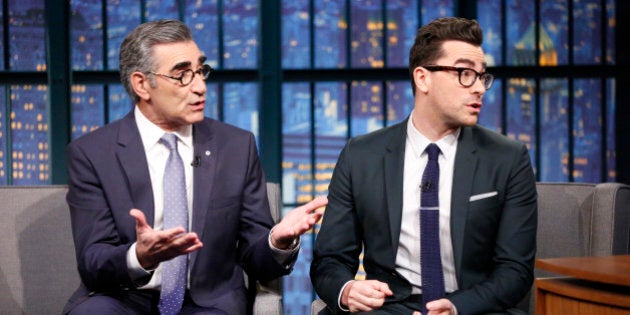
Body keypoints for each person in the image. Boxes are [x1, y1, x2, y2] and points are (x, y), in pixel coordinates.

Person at [63, 19, 327, 314]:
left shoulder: (236, 147)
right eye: (182, 75)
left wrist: (277, 241)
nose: (200, 86)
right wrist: (140, 256)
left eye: (200, 71)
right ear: (141, 84)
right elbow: (93, 260)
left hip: (207, 302)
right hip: (123, 297)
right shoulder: (93, 153)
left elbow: (256, 258)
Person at [311, 17, 537, 315]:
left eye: (483, 77)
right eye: (465, 73)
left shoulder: (508, 158)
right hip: (389, 307)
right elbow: (330, 260)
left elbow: (515, 271)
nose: (479, 88)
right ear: (422, 78)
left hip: (472, 307)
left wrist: (457, 307)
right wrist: (349, 289)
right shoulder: (361, 155)